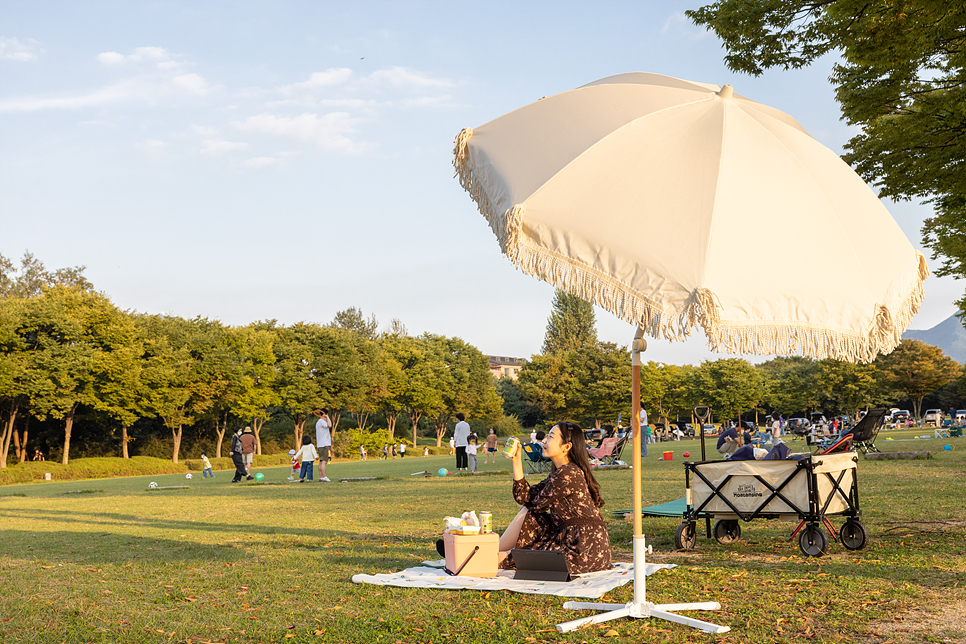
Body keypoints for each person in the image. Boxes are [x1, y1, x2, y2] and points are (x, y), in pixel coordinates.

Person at [497, 421, 612, 574]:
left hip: (581, 547)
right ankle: (495, 552)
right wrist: (516, 461)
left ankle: (492, 553)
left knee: (510, 553)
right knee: (527, 514)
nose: (544, 440)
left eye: (551, 437)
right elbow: (524, 497)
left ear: (566, 447)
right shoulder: (563, 473)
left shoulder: (568, 474)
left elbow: (534, 505)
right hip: (589, 546)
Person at [315, 409, 332, 482]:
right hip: (324, 444)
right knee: (324, 461)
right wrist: (327, 417)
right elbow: (329, 425)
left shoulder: (319, 422)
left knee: (321, 461)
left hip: (321, 444)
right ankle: (324, 477)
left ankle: (321, 477)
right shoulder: (322, 421)